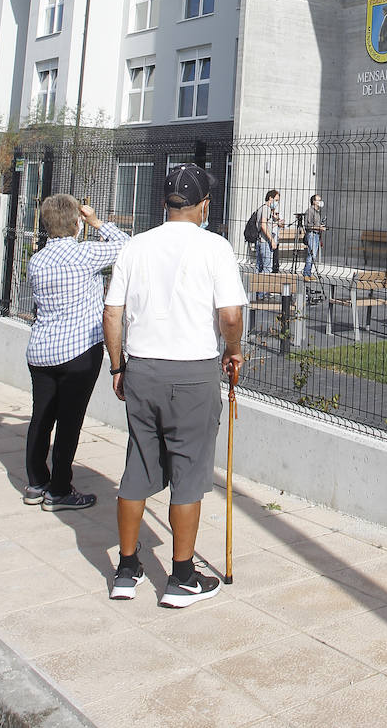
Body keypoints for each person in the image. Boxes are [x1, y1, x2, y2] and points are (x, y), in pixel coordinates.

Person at [102, 163, 245, 607]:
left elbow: (112, 313)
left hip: (142, 367)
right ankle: (181, 577)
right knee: (188, 470)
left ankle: (126, 570)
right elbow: (230, 316)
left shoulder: (135, 246)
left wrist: (116, 366)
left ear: (166, 203)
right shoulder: (215, 247)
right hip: (193, 371)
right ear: (203, 205)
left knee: (138, 464)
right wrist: (234, 350)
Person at [23, 194, 129, 510]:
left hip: (41, 351)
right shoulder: (86, 255)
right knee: (69, 421)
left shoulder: (36, 261)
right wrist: (96, 221)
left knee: (41, 417)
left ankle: (35, 482)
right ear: (76, 224)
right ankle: (59, 490)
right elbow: (126, 245)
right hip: (79, 352)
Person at [302, 193, 326, 280]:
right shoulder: (309, 211)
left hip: (316, 234)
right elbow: (307, 226)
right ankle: (306, 273)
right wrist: (318, 227)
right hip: (311, 234)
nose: (320, 202)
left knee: (313, 255)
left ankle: (309, 273)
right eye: (318, 200)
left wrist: (320, 226)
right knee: (311, 254)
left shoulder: (317, 212)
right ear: (314, 201)